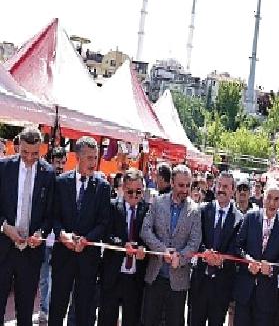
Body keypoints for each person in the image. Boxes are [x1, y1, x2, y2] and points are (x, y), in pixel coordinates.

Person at [49, 136, 111, 326]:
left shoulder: (103, 187)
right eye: (89, 158)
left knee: (84, 309)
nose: (93, 163)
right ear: (77, 157)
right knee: (57, 307)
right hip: (63, 256)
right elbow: (54, 216)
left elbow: (103, 222)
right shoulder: (61, 183)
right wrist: (61, 234)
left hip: (88, 259)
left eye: (95, 157)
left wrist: (86, 239)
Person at [0, 128, 55, 326]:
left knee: (25, 311)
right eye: (25, 153)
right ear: (18, 147)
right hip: (3, 249)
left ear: (40, 149)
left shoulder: (48, 174)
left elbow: (50, 214)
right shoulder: (3, 168)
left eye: (34, 154)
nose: (30, 158)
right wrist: (5, 227)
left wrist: (40, 233)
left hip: (30, 253)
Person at [140, 164, 202, 326]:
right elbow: (145, 230)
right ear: (172, 182)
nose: (185, 189)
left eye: (188, 185)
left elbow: (194, 242)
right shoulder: (158, 203)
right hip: (155, 276)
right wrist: (162, 250)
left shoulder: (195, 211)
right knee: (149, 321)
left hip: (178, 282)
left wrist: (180, 258)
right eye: (181, 185)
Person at [232, 181, 279, 326]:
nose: (272, 202)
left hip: (266, 296)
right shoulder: (250, 218)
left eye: (276, 199)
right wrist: (248, 261)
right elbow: (237, 246)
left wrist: (271, 269)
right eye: (269, 197)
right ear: (263, 197)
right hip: (245, 291)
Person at [190, 172, 243, 326]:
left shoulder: (240, 218)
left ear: (233, 190)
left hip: (222, 286)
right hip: (200, 282)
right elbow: (195, 238)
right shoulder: (202, 210)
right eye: (219, 185)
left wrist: (221, 260)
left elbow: (236, 248)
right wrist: (205, 252)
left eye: (226, 187)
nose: (221, 189)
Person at [97, 168, 150, 326]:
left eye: (138, 192)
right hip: (113, 274)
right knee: (106, 318)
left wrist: (143, 249)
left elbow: (149, 238)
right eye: (130, 192)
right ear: (123, 189)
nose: (134, 196)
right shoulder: (112, 207)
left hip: (134, 278)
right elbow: (106, 234)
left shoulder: (147, 210)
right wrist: (121, 244)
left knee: (132, 319)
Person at [36, 146, 67, 323]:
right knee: (44, 278)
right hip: (45, 240)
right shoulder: (46, 180)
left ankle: (53, 310)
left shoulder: (65, 182)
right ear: (51, 161)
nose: (60, 166)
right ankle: (44, 309)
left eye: (63, 162)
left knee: (57, 279)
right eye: (57, 162)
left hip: (59, 241)